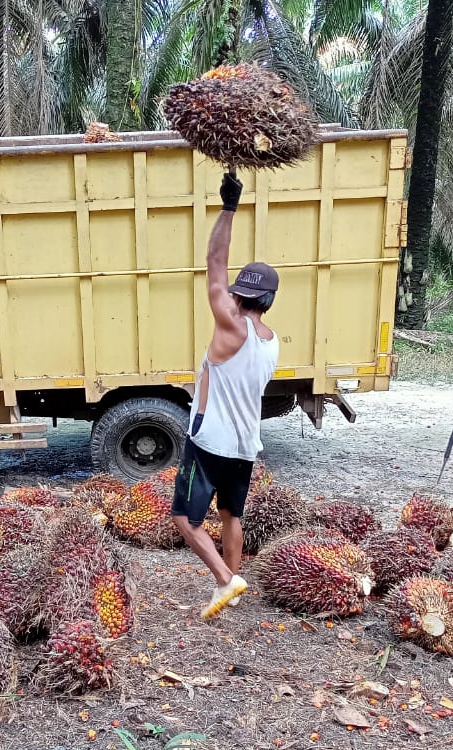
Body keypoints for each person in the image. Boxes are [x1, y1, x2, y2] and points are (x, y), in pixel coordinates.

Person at [171, 171, 280, 620]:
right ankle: (230, 591)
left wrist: (229, 207)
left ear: (239, 296)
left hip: (210, 440)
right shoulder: (271, 339)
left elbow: (215, 263)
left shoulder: (230, 327)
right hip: (244, 446)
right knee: (231, 516)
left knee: (184, 518)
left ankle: (224, 578)